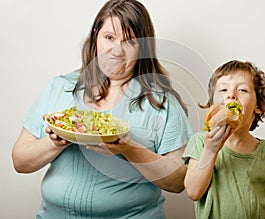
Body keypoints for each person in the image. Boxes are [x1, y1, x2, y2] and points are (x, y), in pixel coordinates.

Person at [12, 0, 193, 218]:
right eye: (109, 37)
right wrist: (55, 141)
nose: (117, 50)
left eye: (129, 41)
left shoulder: (161, 102)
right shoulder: (59, 87)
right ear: (96, 36)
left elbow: (178, 181)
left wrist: (129, 149)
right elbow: (20, 161)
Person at [183, 60, 265, 219]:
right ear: (213, 105)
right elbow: (193, 192)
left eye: (242, 90)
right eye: (223, 90)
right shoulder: (201, 142)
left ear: (258, 106)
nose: (231, 95)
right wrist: (211, 150)